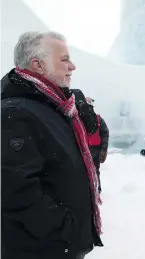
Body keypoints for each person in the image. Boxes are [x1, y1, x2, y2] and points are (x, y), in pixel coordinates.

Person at [1, 31, 103, 259]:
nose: (72, 66)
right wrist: (66, 230)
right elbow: (15, 191)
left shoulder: (53, 108)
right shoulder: (16, 113)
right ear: (37, 65)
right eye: (64, 59)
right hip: (42, 249)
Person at [85, 97, 109, 193]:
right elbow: (105, 134)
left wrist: (103, 150)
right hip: (88, 149)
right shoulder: (98, 119)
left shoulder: (98, 120)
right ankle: (94, 189)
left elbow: (105, 134)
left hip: (91, 150)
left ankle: (96, 189)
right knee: (92, 171)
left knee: (92, 170)